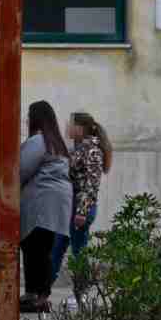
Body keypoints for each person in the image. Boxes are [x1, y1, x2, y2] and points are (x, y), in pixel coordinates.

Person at [51, 111, 113, 300]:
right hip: (71, 206)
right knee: (58, 247)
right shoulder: (79, 148)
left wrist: (82, 211)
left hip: (80, 208)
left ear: (81, 128)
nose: (67, 128)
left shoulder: (91, 151)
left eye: (70, 124)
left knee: (78, 251)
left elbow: (91, 184)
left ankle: (81, 292)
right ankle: (43, 289)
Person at [19, 100, 73, 314]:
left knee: (33, 249)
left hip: (41, 202)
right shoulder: (57, 142)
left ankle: (36, 296)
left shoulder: (37, 141)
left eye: (28, 116)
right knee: (44, 250)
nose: (26, 120)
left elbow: (21, 169)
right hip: (58, 204)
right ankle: (41, 294)